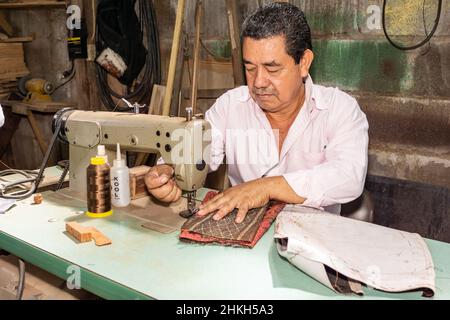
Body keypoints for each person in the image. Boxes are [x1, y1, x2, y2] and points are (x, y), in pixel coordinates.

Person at [145, 2, 369, 223]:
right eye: (250, 68)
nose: (259, 82)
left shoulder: (339, 109)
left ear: (304, 62)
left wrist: (265, 187)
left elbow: (348, 177)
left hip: (315, 241)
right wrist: (166, 170)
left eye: (272, 68)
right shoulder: (230, 107)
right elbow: (190, 152)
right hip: (245, 234)